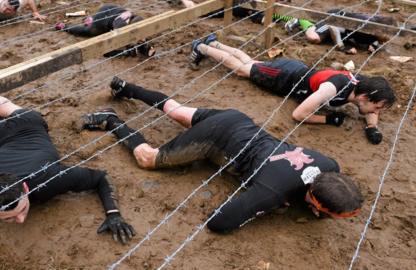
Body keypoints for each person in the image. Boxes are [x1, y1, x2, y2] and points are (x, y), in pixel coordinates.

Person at [79, 77, 364, 233]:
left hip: (239, 121)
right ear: (315, 200)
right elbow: (219, 222)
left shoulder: (330, 165)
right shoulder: (273, 191)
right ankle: (110, 120)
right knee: (149, 159)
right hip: (217, 140)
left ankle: (128, 88)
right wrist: (265, 207)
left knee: (176, 112)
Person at [0, 96, 135, 244]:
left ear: (26, 188)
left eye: (21, 210)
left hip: (29, 126)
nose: (20, 219)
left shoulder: (49, 180)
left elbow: (100, 177)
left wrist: (114, 214)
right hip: (5, 134)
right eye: (9, 218)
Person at [189, 34, 396, 145]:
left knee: (252, 62)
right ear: (364, 97)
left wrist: (372, 128)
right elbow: (298, 114)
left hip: (297, 70)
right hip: (284, 77)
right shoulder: (332, 89)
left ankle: (214, 42)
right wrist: (328, 119)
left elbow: (372, 108)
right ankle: (202, 48)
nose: (376, 113)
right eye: (376, 108)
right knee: (242, 69)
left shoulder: (362, 84)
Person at [55, 4, 155, 57]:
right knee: (88, 32)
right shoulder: (121, 25)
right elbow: (107, 51)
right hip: (104, 18)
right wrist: (127, 51)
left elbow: (141, 38)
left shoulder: (138, 20)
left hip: (110, 8)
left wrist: (145, 45)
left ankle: (91, 19)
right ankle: (65, 26)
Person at [283, 9, 396, 54]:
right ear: (379, 29)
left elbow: (378, 42)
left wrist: (374, 45)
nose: (388, 39)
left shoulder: (374, 31)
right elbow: (334, 27)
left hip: (343, 30)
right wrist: (342, 47)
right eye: (388, 35)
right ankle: (303, 21)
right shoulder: (362, 25)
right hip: (333, 21)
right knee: (314, 38)